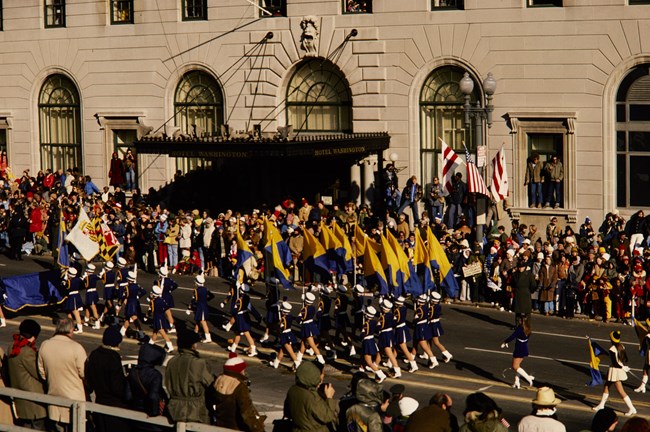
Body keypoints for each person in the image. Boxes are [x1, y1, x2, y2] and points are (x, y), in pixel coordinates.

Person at [37, 318, 87, 431]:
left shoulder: (45, 345)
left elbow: (42, 373)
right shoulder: (76, 348)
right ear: (70, 329)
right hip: (74, 401)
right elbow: (84, 373)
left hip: (53, 398)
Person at [164, 328, 215, 424]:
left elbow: (168, 382)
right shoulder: (199, 363)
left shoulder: (172, 362)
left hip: (174, 409)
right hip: (195, 411)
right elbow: (211, 385)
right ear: (192, 346)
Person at [85, 325, 131, 432]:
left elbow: (89, 380)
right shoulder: (113, 358)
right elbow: (117, 386)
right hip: (113, 405)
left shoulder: (94, 354)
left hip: (99, 400)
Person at [7, 319, 47, 429]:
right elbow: (38, 372)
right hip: (33, 401)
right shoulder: (27, 352)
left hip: (21, 398)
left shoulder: (12, 347)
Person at [210, 353, 265, 431]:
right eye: (243, 369)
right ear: (238, 370)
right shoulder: (239, 386)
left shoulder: (217, 381)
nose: (244, 372)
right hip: (236, 427)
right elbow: (247, 413)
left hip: (219, 426)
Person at [283, 361, 337, 432]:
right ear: (314, 375)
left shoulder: (293, 390)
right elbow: (327, 417)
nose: (322, 376)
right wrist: (329, 398)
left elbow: (287, 413)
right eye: (322, 374)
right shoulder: (312, 397)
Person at [592, 330, 637, 416]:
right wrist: (623, 366)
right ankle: (601, 405)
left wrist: (622, 367)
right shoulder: (622, 346)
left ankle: (632, 408)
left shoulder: (611, 349)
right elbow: (625, 359)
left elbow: (615, 363)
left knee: (621, 391)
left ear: (612, 339)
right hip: (617, 369)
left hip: (615, 371)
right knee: (606, 386)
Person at [125, 343, 168, 432]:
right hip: (149, 416)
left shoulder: (133, 372)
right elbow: (153, 396)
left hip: (135, 413)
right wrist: (154, 413)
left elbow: (128, 396)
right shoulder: (155, 375)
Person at [501, 316, 534, 389]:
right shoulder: (528, 329)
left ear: (522, 322)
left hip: (519, 348)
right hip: (524, 347)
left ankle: (528, 378)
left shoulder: (519, 329)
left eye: (519, 320)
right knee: (518, 366)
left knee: (514, 366)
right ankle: (517, 382)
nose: (518, 321)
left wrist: (506, 341)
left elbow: (512, 336)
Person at [271, 301, 300, 370]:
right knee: (282, 350)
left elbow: (281, 328)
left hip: (285, 335)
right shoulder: (289, 316)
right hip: (289, 333)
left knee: (291, 352)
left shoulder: (283, 319)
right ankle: (276, 363)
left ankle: (298, 364)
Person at [429, 292, 453, 364]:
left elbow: (430, 316)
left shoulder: (432, 307)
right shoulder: (438, 306)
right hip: (435, 324)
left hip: (433, 324)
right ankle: (426, 353)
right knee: (428, 339)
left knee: (436, 342)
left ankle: (447, 354)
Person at [191, 274, 214, 343]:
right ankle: (195, 332)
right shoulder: (205, 289)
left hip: (201, 307)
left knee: (203, 322)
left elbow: (194, 300)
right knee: (198, 320)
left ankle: (208, 337)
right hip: (203, 306)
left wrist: (190, 307)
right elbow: (212, 296)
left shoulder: (196, 290)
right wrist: (206, 300)